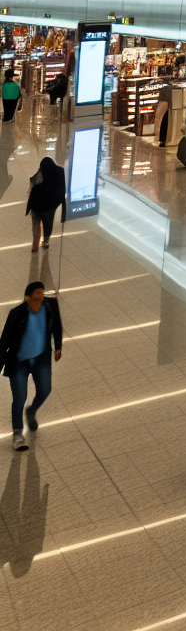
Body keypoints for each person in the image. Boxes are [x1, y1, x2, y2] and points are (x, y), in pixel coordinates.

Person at [0, 282, 61, 453]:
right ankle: (17, 434)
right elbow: (4, 339)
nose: (41, 296)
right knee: (20, 397)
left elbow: (56, 325)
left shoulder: (50, 306)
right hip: (19, 361)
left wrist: (58, 346)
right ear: (28, 296)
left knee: (45, 389)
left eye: (42, 292)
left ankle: (31, 411)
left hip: (41, 358)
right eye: (37, 293)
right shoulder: (17, 313)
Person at [23, 156, 64, 253]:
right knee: (47, 223)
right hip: (47, 206)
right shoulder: (56, 174)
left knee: (35, 224)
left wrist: (29, 203)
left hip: (35, 205)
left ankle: (35, 243)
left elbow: (31, 188)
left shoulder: (39, 174)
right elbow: (59, 190)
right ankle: (45, 240)